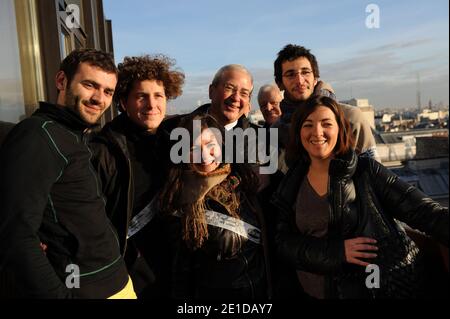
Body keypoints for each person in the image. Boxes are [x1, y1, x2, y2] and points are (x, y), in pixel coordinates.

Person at [271, 95, 449, 299]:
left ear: (340, 129)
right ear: (298, 132)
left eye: (326, 124)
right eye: (308, 125)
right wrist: (337, 253)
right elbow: (283, 243)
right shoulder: (291, 182)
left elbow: (425, 213)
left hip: (371, 291)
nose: (317, 132)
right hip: (312, 294)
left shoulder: (365, 171)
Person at [0, 48, 134, 298]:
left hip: (116, 281)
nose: (99, 98)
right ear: (62, 81)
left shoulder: (73, 136)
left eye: (108, 91)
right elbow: (15, 234)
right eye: (90, 85)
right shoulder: (38, 135)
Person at [90, 54, 185, 298]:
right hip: (128, 272)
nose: (152, 105)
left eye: (158, 96)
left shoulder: (175, 142)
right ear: (123, 101)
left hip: (172, 267)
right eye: (141, 96)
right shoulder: (102, 151)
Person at [158, 114, 271, 299]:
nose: (204, 155)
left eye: (211, 144)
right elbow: (179, 275)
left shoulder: (244, 182)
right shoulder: (178, 201)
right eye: (194, 148)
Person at [272, 44, 378, 172]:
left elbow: (374, 174)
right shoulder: (277, 130)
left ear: (315, 78)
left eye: (305, 72)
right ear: (280, 83)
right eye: (290, 75)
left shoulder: (350, 117)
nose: (300, 80)